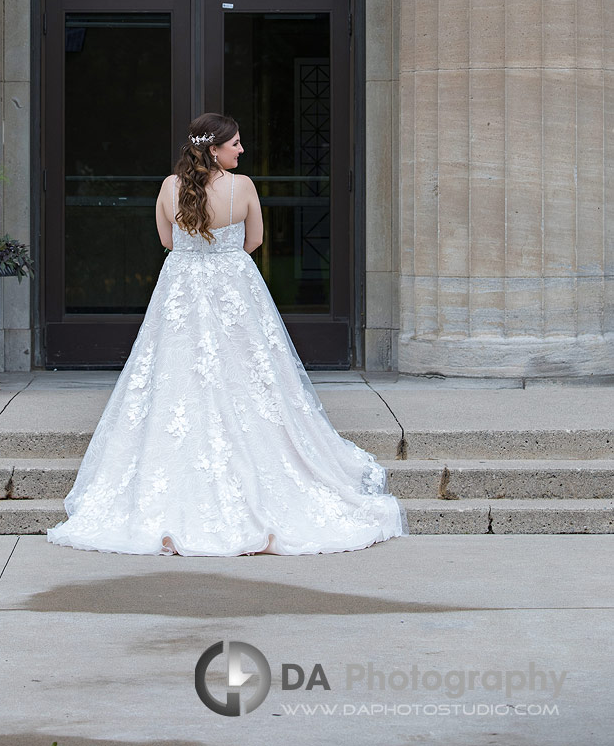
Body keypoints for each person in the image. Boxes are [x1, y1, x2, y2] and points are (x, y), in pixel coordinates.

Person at [47, 113, 408, 555]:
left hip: (180, 288)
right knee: (249, 374)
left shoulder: (167, 187)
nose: (241, 150)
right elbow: (253, 240)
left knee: (175, 377)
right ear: (215, 149)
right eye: (235, 143)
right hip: (234, 287)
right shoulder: (244, 188)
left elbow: (167, 240)